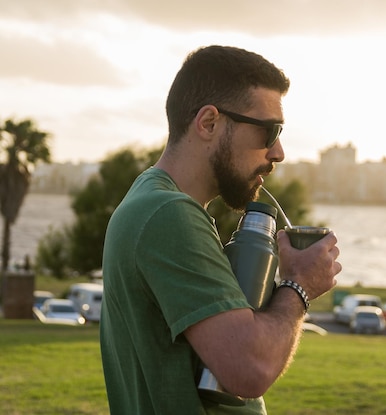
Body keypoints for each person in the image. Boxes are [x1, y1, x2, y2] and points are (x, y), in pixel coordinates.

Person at [99, 45, 342, 415]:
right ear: (209, 123)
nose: (278, 152)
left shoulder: (150, 200)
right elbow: (249, 369)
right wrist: (299, 286)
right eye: (269, 131)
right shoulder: (167, 214)